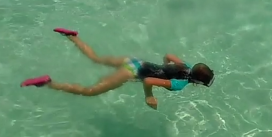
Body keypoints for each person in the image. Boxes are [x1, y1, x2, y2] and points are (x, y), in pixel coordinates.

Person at [21, 29, 215, 110]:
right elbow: (148, 81)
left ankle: (71, 36)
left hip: (136, 62)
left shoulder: (186, 66)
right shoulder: (179, 84)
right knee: (90, 92)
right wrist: (149, 96)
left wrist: (163, 66)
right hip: (132, 73)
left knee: (95, 58)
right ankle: (49, 83)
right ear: (197, 82)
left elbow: (169, 56)